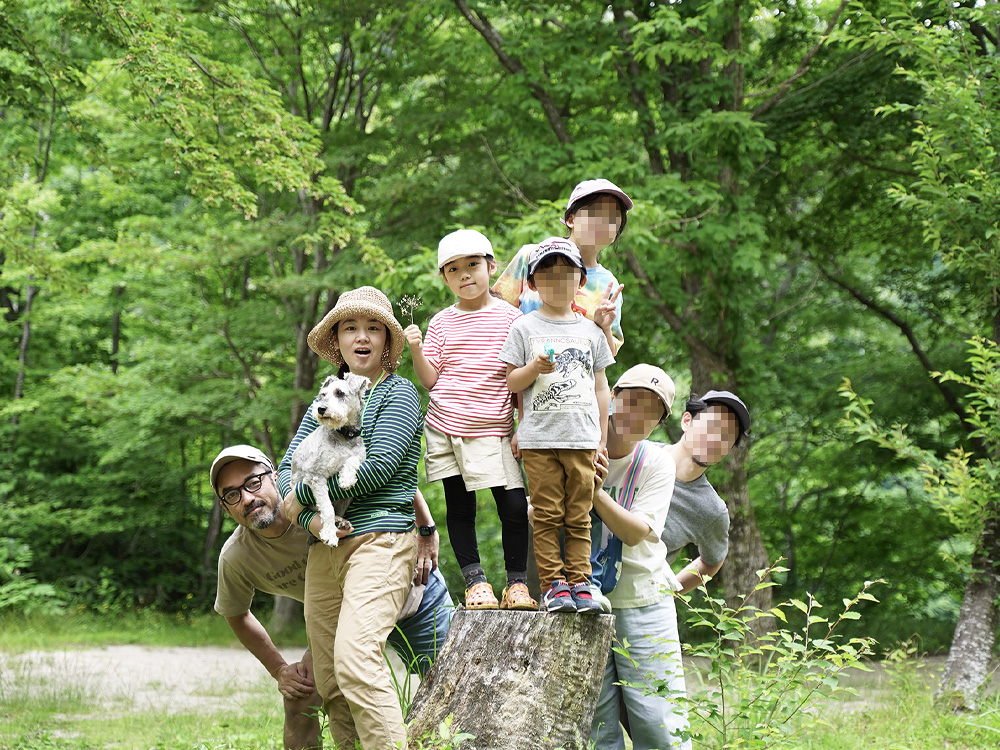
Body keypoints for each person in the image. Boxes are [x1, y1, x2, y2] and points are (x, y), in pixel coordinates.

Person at [210, 444, 454, 750]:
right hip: (338, 621)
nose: (247, 498)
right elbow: (237, 614)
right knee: (304, 695)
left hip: (410, 591)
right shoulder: (237, 556)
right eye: (232, 494)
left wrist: (426, 529)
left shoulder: (314, 491)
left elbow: (389, 478)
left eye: (253, 482)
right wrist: (280, 670)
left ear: (276, 477)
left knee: (452, 679)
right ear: (225, 506)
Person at [277, 286, 424, 750]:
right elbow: (285, 471)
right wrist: (310, 521)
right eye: (350, 328)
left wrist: (299, 498)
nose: (361, 337)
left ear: (386, 341)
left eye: (373, 328)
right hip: (326, 548)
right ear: (337, 341)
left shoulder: (399, 393)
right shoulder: (325, 399)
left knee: (357, 662)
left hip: (381, 540)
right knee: (331, 678)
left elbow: (376, 466)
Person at [404, 229, 535, 611]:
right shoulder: (442, 323)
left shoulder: (513, 318)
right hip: (447, 426)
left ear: (491, 267)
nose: (465, 275)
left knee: (512, 506)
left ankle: (516, 584)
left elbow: (522, 381)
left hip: (494, 428)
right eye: (454, 270)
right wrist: (416, 348)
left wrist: (522, 426)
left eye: (473, 265)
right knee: (460, 509)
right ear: (444, 278)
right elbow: (430, 379)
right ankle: (475, 582)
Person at [499, 237, 614, 613]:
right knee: (547, 514)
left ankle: (581, 583)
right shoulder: (523, 327)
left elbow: (601, 388)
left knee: (579, 516)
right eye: (547, 276)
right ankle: (553, 586)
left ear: (581, 281)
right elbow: (511, 381)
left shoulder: (591, 332)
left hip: (582, 440)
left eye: (567, 275)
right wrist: (534, 369)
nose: (558, 283)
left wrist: (599, 439)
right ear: (532, 284)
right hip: (538, 441)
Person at [588, 364, 684, 750]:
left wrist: (593, 491)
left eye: (652, 411)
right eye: (633, 401)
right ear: (613, 396)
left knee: (658, 722)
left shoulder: (658, 463)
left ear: (659, 424)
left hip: (644, 600)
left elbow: (633, 532)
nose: (638, 415)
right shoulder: (577, 444)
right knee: (595, 724)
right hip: (584, 602)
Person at [493, 178, 632, 355]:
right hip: (519, 374)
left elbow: (606, 356)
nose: (603, 222)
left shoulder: (609, 286)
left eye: (612, 218)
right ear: (571, 219)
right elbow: (496, 313)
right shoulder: (531, 257)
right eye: (594, 212)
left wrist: (602, 327)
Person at [660, 390, 751, 595]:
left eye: (727, 437)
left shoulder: (711, 510)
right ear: (687, 421)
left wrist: (668, 591)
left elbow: (712, 562)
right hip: (580, 580)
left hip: (637, 604)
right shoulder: (637, 455)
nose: (716, 438)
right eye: (711, 425)